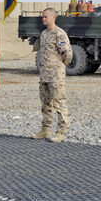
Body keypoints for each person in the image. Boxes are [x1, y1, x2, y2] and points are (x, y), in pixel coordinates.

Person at [33, 8, 73, 143]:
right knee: (45, 103)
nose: (43, 19)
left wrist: (62, 66)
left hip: (56, 76)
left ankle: (62, 132)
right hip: (44, 75)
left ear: (53, 17)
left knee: (59, 103)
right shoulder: (44, 34)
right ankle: (46, 129)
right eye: (42, 17)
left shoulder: (59, 34)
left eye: (45, 17)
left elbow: (67, 54)